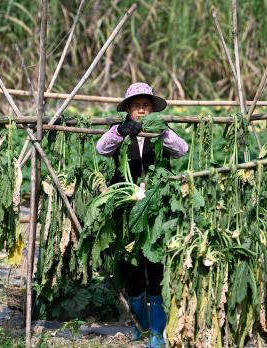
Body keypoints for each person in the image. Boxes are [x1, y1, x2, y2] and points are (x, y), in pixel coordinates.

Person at [96, 82, 188, 348]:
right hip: (126, 208)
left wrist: (162, 134)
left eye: (145, 106)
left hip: (156, 208)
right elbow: (101, 149)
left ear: (152, 108)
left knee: (156, 264)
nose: (141, 111)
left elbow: (182, 150)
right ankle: (140, 326)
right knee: (131, 264)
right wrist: (119, 131)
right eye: (136, 106)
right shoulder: (120, 130)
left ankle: (158, 331)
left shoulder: (161, 130)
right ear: (128, 109)